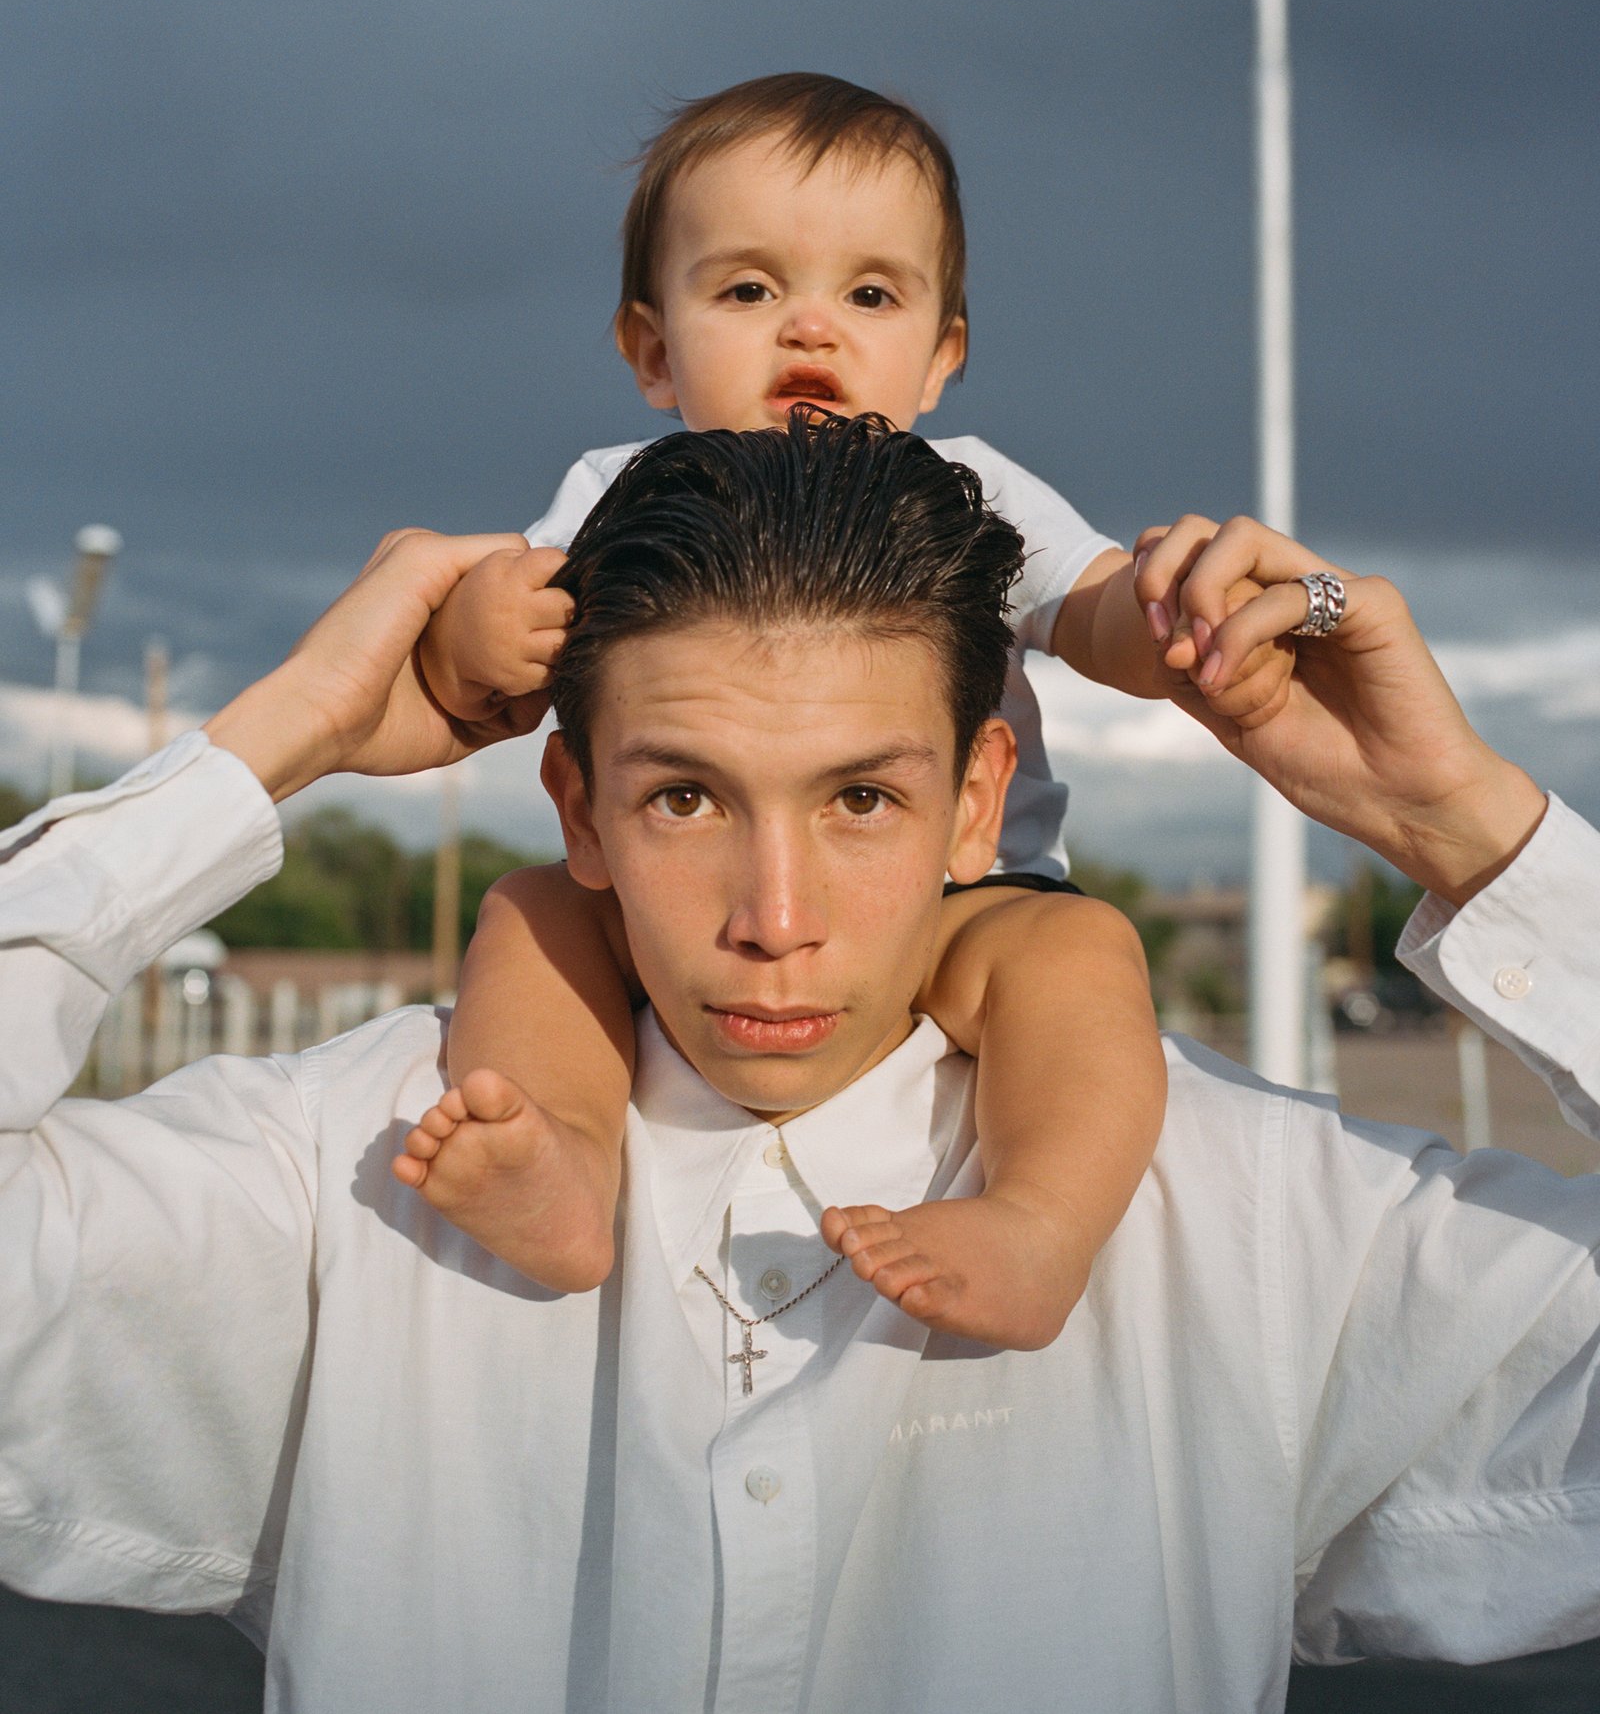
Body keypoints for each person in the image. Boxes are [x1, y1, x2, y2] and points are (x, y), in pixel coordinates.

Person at [2, 417, 1597, 1714]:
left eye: (860, 801)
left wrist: (1461, 826)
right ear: (578, 811)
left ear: (981, 803)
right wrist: (276, 736)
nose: (775, 920)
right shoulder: (356, 1176)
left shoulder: (1249, 1216)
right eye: (686, 798)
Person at [402, 72, 1291, 1351]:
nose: (809, 327)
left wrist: (1176, 627)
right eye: (747, 291)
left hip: (971, 895)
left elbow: (1088, 608)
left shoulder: (972, 489)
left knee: (1080, 957)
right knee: (535, 915)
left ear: (942, 356)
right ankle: (565, 1158)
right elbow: (503, 647)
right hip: (669, 907)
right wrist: (472, 633)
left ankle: (1039, 1224)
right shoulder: (618, 493)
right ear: (651, 350)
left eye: (870, 295)